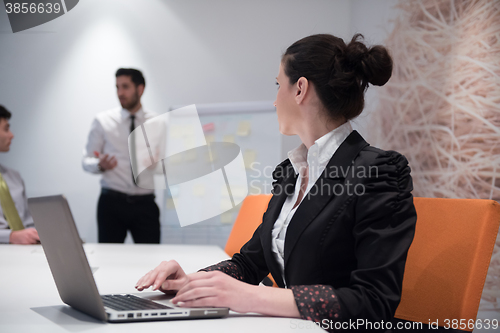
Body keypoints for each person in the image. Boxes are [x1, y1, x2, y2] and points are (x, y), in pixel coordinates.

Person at [134, 34, 417, 329]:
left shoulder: (379, 170)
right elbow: (249, 263)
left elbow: (374, 302)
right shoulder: (292, 172)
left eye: (278, 85)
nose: (274, 98)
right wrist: (191, 281)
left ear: (300, 89)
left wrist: (253, 298)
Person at [82, 68, 161, 244]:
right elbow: (86, 161)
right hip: (112, 204)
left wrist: (159, 163)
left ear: (140, 89)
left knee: (151, 260)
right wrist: (100, 165)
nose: (120, 93)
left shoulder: (157, 122)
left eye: (125, 87)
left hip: (145, 205)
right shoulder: (103, 121)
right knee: (109, 259)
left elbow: (169, 163)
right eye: (117, 87)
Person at [0, 105, 40, 244]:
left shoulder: (14, 176)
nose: (12, 135)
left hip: (26, 251)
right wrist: (10, 237)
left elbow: (28, 222)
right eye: (6, 129)